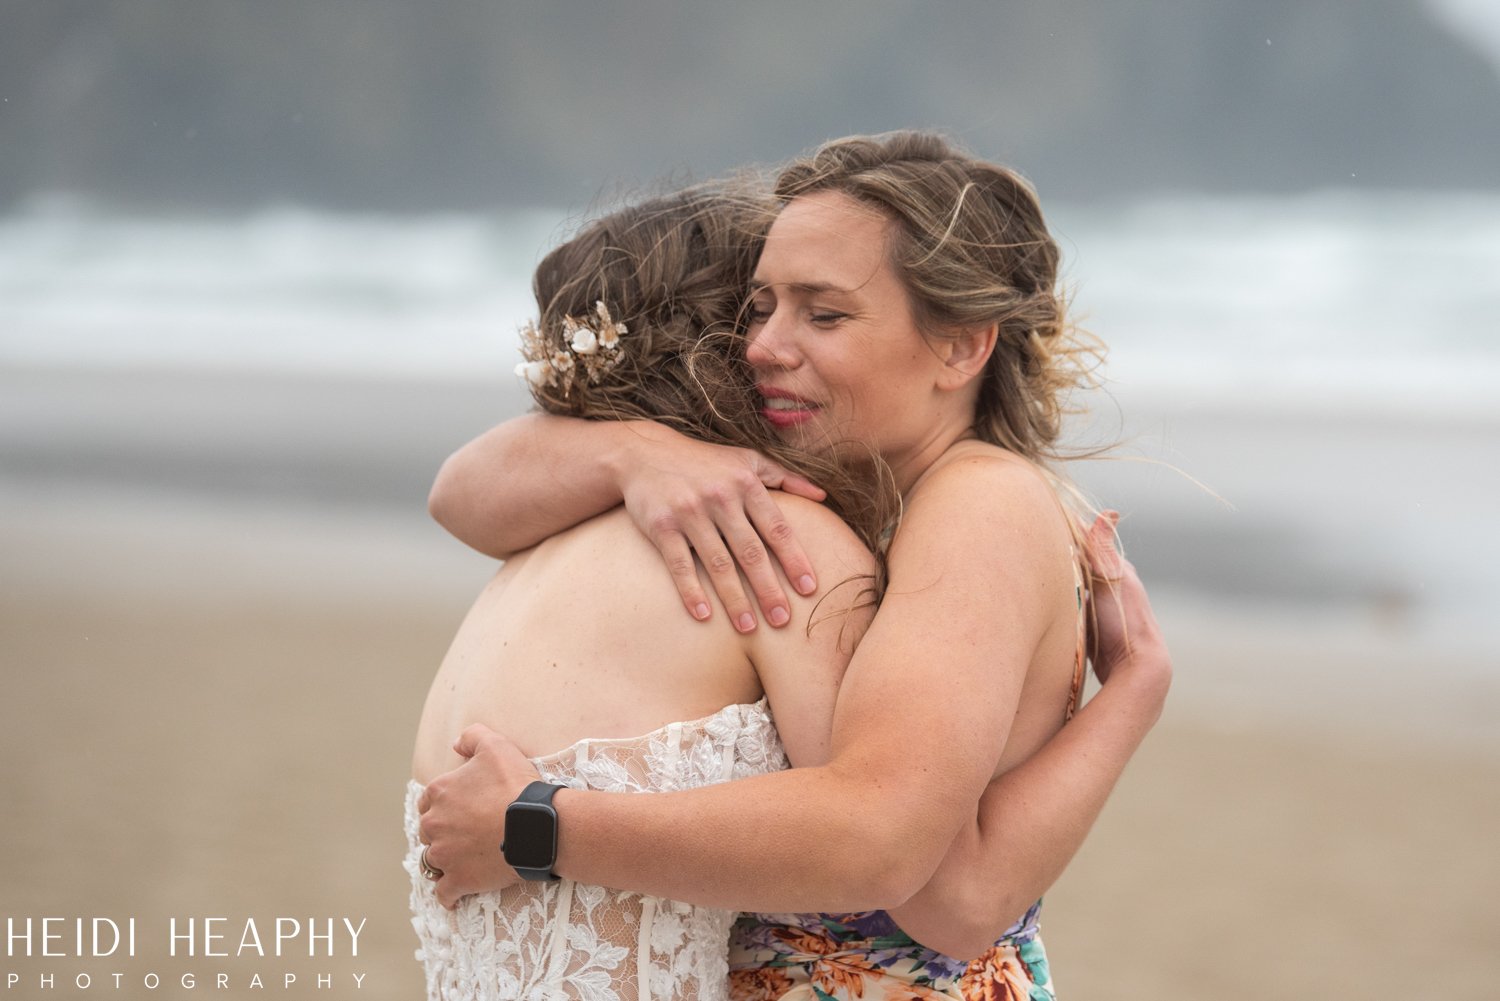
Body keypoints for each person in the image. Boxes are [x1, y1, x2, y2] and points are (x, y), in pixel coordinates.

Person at [418, 131, 1171, 1001]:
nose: (762, 346)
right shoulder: (877, 505)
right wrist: (634, 453)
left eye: (824, 313)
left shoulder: (980, 504)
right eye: (761, 306)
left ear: (962, 348)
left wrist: (542, 827)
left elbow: (933, 883)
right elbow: (459, 493)